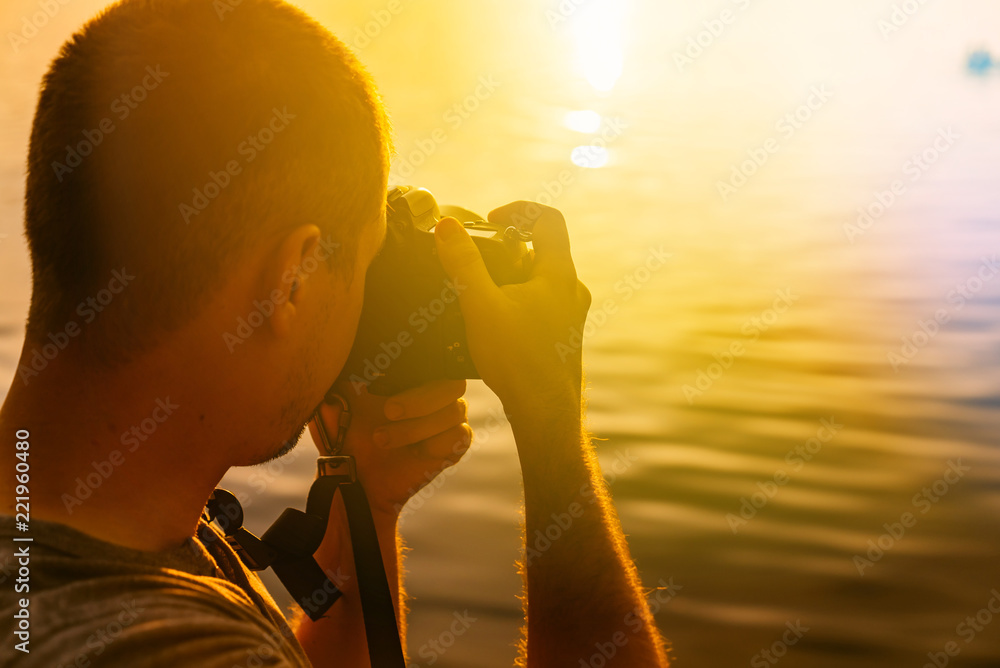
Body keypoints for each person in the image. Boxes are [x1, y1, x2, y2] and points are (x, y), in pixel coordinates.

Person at [0, 0, 670, 665]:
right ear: (293, 278)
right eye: (367, 260)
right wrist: (550, 420)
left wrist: (364, 509)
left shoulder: (114, 528)